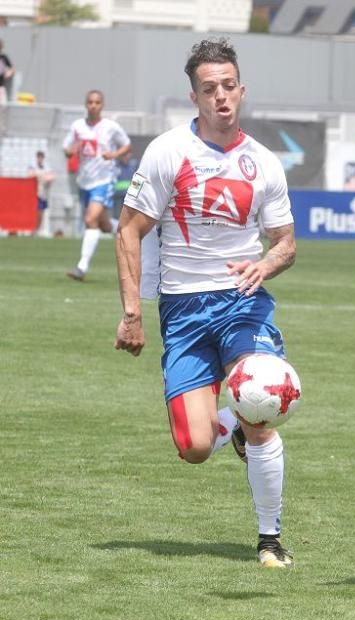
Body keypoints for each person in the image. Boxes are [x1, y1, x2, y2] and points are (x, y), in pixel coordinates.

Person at [113, 38, 297, 568]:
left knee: (260, 400)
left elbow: (285, 242)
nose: (221, 97)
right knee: (194, 447)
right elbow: (129, 231)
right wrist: (132, 312)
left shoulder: (263, 163)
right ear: (194, 96)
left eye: (229, 86)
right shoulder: (168, 152)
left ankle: (269, 538)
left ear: (242, 90)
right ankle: (234, 425)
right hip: (184, 311)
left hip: (243, 302)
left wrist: (266, 264)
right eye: (209, 88)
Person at [64, 90, 131, 281]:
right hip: (84, 180)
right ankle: (127, 229)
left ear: (102, 105)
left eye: (97, 102)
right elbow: (67, 150)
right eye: (90, 102)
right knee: (103, 225)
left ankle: (81, 267)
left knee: (89, 219)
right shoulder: (77, 126)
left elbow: (126, 145)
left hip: (103, 180)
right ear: (86, 104)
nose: (93, 105)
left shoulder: (110, 127)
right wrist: (70, 151)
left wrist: (114, 155)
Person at [27, 150, 55, 235]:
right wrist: (41, 175)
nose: (40, 158)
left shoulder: (46, 166)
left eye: (41, 157)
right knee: (35, 211)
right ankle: (32, 229)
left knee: (41, 212)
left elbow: (52, 177)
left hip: (43, 193)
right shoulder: (33, 165)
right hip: (34, 193)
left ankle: (36, 230)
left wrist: (41, 176)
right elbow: (30, 174)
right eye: (39, 157)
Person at [0, 40, 14, 105]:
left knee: (3, 106)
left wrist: (8, 74)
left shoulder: (3, 57)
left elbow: (12, 69)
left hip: (1, 86)